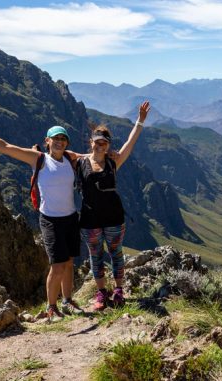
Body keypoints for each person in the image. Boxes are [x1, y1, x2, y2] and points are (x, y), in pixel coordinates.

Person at [0, 114, 85, 322]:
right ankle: (51, 307)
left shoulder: (69, 157)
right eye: (55, 138)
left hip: (70, 217)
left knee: (68, 262)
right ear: (46, 141)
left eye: (63, 139)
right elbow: (4, 146)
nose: (59, 142)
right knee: (57, 265)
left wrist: (112, 148)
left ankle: (67, 300)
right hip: (51, 220)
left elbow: (93, 157)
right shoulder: (38, 159)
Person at [78, 101, 150, 310]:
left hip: (113, 218)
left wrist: (140, 121)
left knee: (116, 254)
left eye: (104, 143)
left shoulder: (113, 162)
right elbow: (57, 156)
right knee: (95, 257)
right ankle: (102, 293)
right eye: (97, 142)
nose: (100, 146)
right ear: (91, 142)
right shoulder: (79, 162)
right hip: (90, 220)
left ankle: (118, 291)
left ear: (108, 145)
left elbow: (130, 142)